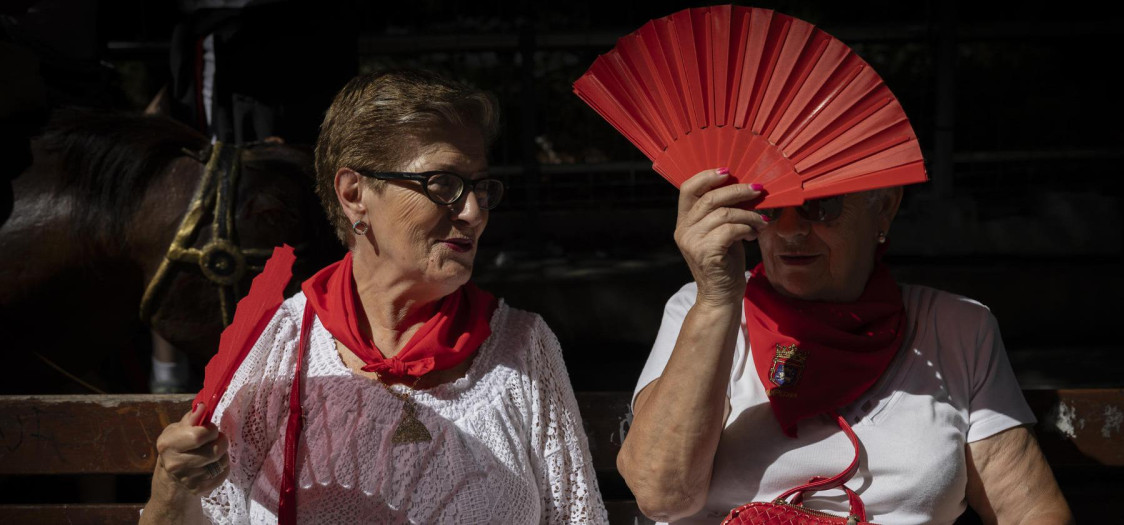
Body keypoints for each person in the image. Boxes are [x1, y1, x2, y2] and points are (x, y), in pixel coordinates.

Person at [140, 69, 607, 524]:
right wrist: (172, 487)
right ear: (354, 192)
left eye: (481, 188)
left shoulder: (521, 350)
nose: (472, 212)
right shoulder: (280, 347)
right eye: (443, 183)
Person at [618, 169, 1073, 524]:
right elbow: (662, 496)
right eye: (769, 208)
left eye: (820, 205)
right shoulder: (701, 311)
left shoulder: (956, 329)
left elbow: (1028, 512)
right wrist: (716, 301)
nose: (791, 231)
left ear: (885, 208)